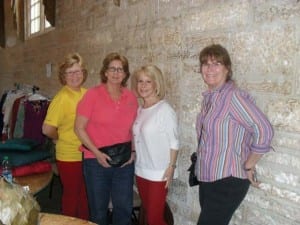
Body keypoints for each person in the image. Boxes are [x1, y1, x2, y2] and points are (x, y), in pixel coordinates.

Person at [195, 44, 274, 225]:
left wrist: (249, 164)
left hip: (227, 180)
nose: (209, 68)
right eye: (205, 64)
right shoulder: (210, 98)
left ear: (227, 68)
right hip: (208, 177)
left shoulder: (233, 97)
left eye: (216, 63)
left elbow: (264, 129)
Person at [74, 52, 138, 225]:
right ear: (105, 72)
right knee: (98, 210)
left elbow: (134, 128)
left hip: (124, 162)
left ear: (125, 74)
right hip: (95, 161)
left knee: (124, 208)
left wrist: (132, 152)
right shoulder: (92, 95)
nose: (116, 73)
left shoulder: (131, 97)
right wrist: (97, 154)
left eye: (121, 69)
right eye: (112, 69)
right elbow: (79, 128)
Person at [42, 53, 89, 220]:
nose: (75, 76)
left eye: (78, 71)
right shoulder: (61, 98)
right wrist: (58, 138)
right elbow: (47, 129)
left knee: (84, 194)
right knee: (72, 196)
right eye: (70, 72)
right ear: (63, 76)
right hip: (69, 156)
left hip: (87, 154)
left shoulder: (86, 93)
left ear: (84, 73)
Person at [132, 65, 179, 225]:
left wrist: (171, 167)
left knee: (154, 219)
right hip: (141, 169)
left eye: (148, 81)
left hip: (159, 172)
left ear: (156, 84)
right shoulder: (141, 109)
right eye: (140, 81)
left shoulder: (164, 110)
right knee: (148, 214)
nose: (143, 86)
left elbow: (174, 142)